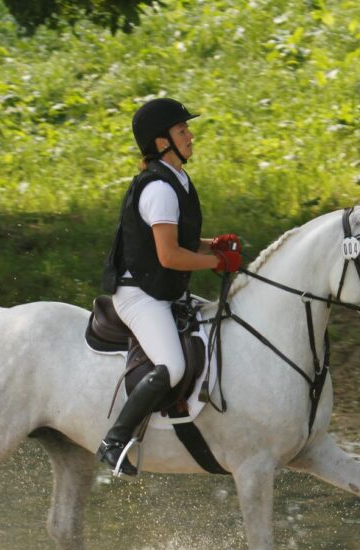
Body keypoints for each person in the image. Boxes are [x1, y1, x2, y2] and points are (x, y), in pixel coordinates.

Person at [97, 98, 241, 476]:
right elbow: (169, 256)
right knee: (172, 365)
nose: (190, 135)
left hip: (164, 290)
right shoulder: (158, 189)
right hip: (140, 295)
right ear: (162, 143)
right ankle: (115, 441)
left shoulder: (178, 179)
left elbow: (181, 242)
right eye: (182, 131)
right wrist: (215, 262)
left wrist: (213, 246)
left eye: (187, 130)